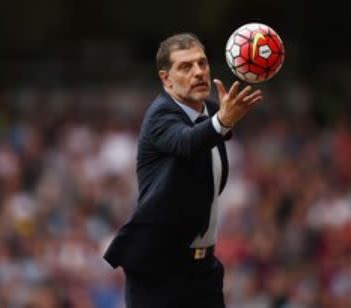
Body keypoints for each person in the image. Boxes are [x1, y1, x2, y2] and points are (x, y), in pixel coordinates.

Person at [103, 32, 263, 308]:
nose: (198, 72)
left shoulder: (211, 112)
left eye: (202, 63)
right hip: (159, 270)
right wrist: (222, 122)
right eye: (186, 66)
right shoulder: (160, 115)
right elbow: (187, 142)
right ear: (166, 78)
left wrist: (220, 120)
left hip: (203, 270)